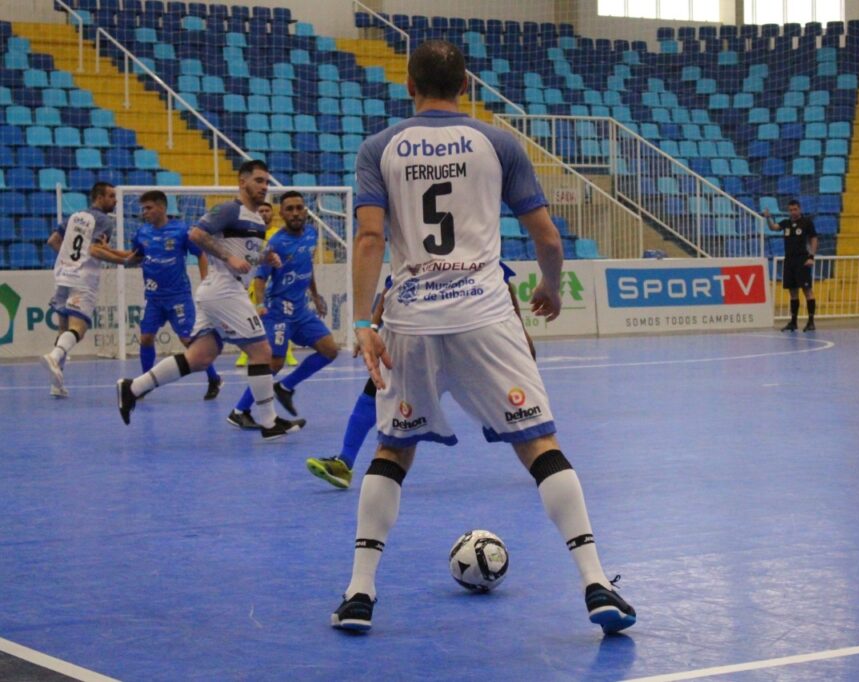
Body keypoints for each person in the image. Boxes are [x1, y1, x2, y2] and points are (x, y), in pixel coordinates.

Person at [330, 40, 635, 635]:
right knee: (540, 444)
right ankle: (595, 583)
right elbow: (547, 236)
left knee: (393, 449)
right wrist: (548, 286)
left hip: (411, 318)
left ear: (409, 86)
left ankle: (359, 593)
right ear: (466, 85)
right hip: (486, 316)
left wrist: (364, 323)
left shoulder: (379, 148)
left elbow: (369, 240)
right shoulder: (497, 143)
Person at [116, 160, 306, 440]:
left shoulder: (256, 219)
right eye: (258, 181)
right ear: (242, 182)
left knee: (200, 357)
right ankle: (269, 423)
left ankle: (132, 388)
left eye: (267, 182)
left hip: (222, 291)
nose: (264, 187)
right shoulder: (230, 209)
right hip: (223, 288)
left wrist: (265, 256)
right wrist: (229, 258)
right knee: (262, 352)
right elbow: (196, 233)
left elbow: (244, 251)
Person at [306, 262, 532, 490]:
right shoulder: (412, 255)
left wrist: (521, 332)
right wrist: (372, 329)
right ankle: (344, 462)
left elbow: (504, 285)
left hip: (466, 339)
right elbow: (389, 290)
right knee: (377, 388)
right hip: (421, 341)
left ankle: (544, 461)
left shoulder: (470, 249)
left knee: (510, 402)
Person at [227, 191, 339, 428]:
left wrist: (315, 295)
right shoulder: (275, 244)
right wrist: (258, 306)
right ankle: (239, 410)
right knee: (274, 364)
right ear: (282, 214)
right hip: (278, 312)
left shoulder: (311, 233)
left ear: (306, 210)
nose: (296, 213)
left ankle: (286, 387)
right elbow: (259, 280)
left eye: (299, 207)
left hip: (301, 310)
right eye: (290, 209)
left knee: (330, 350)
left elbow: (306, 267)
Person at [124, 190, 223, 400]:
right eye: (143, 209)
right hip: (153, 297)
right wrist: (113, 256)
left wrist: (206, 282)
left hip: (178, 296)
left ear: (162, 207)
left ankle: (214, 378)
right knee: (146, 337)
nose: (145, 212)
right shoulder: (142, 232)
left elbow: (201, 254)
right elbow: (136, 257)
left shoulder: (181, 230)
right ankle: (144, 383)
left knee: (189, 341)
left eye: (148, 208)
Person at [40, 182, 134, 397]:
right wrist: (124, 261)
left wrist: (69, 263)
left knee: (63, 330)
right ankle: (54, 357)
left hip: (63, 276)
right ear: (98, 197)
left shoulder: (75, 216)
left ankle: (57, 385)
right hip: (84, 280)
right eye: (111, 196)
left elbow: (53, 240)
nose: (115, 200)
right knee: (78, 329)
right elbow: (96, 251)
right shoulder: (103, 221)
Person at [237, 201, 298, 367]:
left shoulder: (279, 234)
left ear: (273, 214)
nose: (264, 213)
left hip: (276, 285)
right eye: (261, 210)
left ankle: (288, 353)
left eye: (267, 211)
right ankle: (245, 354)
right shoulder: (251, 234)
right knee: (249, 321)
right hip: (253, 284)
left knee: (282, 322)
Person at [763, 199, 818, 332]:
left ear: (800, 209)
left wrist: (811, 256)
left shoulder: (806, 223)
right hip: (789, 261)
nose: (793, 212)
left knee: (807, 291)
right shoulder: (786, 223)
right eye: (791, 210)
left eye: (795, 209)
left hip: (802, 260)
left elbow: (814, 239)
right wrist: (768, 218)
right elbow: (773, 228)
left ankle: (811, 322)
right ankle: (793, 322)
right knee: (793, 292)